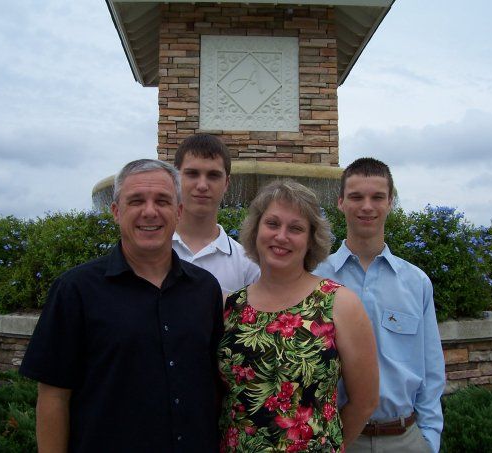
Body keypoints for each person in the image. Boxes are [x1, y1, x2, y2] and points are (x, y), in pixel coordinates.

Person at [19, 159, 223, 452]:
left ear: (178, 212)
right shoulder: (75, 290)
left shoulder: (205, 289)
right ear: (116, 211)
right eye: (136, 201)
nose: (150, 211)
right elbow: (53, 397)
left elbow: (213, 385)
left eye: (162, 201)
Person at [218, 180, 379, 452]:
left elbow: (365, 402)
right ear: (256, 230)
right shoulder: (230, 306)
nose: (281, 236)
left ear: (310, 240)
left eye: (295, 228)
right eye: (272, 224)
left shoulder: (339, 303)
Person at [314, 158, 446, 453]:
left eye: (377, 197)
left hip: (406, 439)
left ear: (390, 203)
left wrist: (428, 439)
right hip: (340, 438)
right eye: (356, 197)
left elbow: (432, 370)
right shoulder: (314, 279)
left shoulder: (416, 283)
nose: (366, 207)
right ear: (340, 202)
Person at [173, 133, 260, 293]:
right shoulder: (150, 250)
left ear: (226, 183)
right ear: (176, 178)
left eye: (213, 175)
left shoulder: (247, 265)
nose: (202, 185)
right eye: (192, 174)